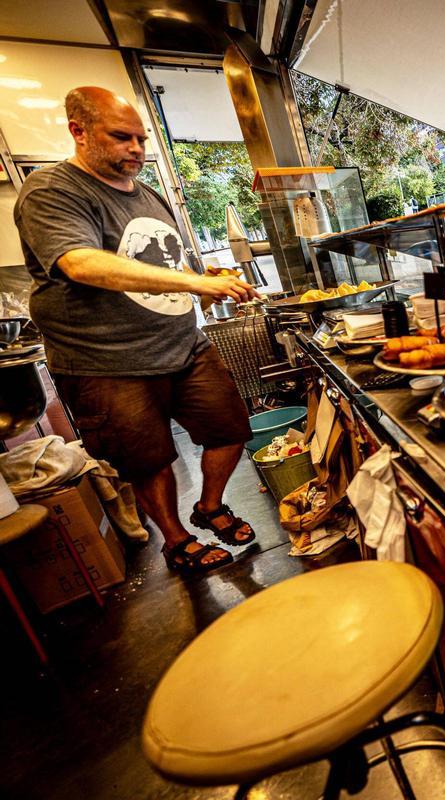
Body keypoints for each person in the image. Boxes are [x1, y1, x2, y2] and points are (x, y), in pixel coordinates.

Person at [13, 87, 260, 575]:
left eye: (142, 139)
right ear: (78, 131)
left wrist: (203, 282)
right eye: (121, 137)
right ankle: (176, 539)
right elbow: (80, 263)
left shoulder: (147, 194)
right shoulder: (52, 191)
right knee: (147, 460)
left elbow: (170, 260)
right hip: (105, 361)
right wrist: (189, 280)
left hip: (183, 345)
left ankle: (210, 506)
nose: (136, 149)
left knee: (231, 427)